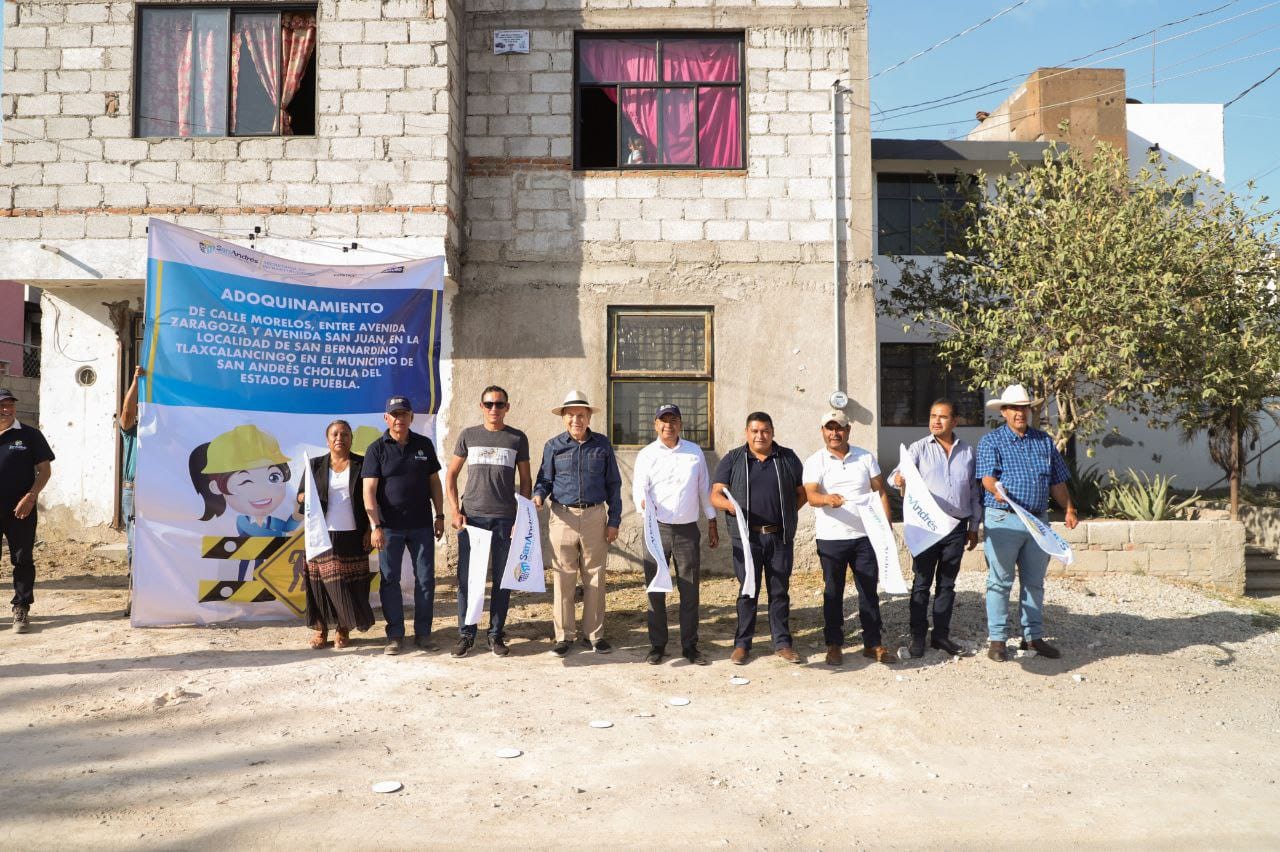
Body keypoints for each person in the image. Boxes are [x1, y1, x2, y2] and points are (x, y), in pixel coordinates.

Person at [976, 384, 1078, 663]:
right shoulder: (991, 441)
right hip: (1003, 518)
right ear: (1004, 412)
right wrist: (995, 490)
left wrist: (1068, 508)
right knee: (1000, 581)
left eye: (1025, 408)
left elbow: (1056, 480)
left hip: (1037, 521)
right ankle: (997, 639)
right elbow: (986, 477)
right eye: (1014, 408)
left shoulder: (1044, 441)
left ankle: (1032, 636)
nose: (1020, 413)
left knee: (1034, 582)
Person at [802, 410, 896, 666]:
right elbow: (810, 496)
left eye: (839, 428)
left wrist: (886, 528)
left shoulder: (865, 457)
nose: (835, 433)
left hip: (866, 536)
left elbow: (881, 492)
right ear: (822, 431)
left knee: (868, 590)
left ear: (848, 430)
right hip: (831, 539)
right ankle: (834, 645)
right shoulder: (815, 461)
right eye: (829, 428)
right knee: (834, 592)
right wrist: (827, 499)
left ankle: (873, 644)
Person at [711, 412, 806, 666]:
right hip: (747, 538)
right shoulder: (733, 459)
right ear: (746, 433)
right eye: (754, 431)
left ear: (772, 432)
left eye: (764, 431)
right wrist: (730, 508)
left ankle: (783, 643)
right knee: (747, 591)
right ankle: (742, 644)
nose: (759, 436)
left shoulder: (787, 458)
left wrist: (785, 513)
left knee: (779, 591)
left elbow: (801, 493)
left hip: (779, 538)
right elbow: (716, 494)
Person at [445, 385, 531, 659]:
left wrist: (522, 517)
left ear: (507, 407)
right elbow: (451, 476)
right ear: (481, 406)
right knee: (469, 581)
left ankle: (496, 635)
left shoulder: (517, 438)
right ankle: (466, 634)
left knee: (502, 581)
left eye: (499, 404)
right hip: (473, 519)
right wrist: (455, 511)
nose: (494, 409)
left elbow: (527, 481)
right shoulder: (469, 435)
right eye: (489, 404)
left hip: (505, 519)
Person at [533, 390, 622, 657]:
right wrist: (538, 495)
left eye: (581, 415)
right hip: (562, 517)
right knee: (563, 577)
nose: (576, 420)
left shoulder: (602, 445)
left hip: (595, 516)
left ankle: (594, 635)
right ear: (563, 418)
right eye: (570, 415)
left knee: (595, 575)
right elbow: (544, 480)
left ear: (588, 417)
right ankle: (563, 636)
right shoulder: (553, 446)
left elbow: (614, 485)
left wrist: (614, 520)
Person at [891, 399, 982, 658]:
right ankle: (917, 637)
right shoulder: (918, 448)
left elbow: (974, 492)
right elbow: (896, 475)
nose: (935, 421)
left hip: (956, 527)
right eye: (932, 416)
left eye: (942, 417)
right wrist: (897, 478)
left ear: (955, 421)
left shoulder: (968, 452)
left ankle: (940, 636)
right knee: (921, 583)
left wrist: (974, 526)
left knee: (947, 584)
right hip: (927, 527)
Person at [632, 403, 718, 666]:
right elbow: (639, 488)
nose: (668, 425)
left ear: (681, 424)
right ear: (655, 424)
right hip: (656, 530)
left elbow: (704, 488)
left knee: (689, 590)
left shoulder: (694, 452)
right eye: (663, 420)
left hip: (687, 531)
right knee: (655, 589)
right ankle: (657, 646)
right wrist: (643, 505)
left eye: (674, 420)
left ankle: (690, 646)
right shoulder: (646, 454)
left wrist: (712, 521)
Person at [362, 395, 446, 656]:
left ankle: (423, 634)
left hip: (422, 525)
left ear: (411, 417)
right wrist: (375, 525)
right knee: (390, 580)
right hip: (389, 528)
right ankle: (395, 635)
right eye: (394, 414)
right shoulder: (376, 449)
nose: (399, 419)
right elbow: (369, 491)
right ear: (386, 418)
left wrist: (440, 515)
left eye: (404, 414)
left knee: (425, 581)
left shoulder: (424, 445)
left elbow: (434, 483)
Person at [295, 420, 375, 650]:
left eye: (345, 434)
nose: (340, 437)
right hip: (320, 535)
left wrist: (370, 529)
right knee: (319, 585)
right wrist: (302, 498)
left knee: (351, 586)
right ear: (327, 439)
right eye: (335, 434)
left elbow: (374, 498)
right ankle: (321, 630)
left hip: (353, 535)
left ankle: (343, 628)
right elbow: (301, 497)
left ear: (352, 438)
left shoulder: (363, 464)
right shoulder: (314, 465)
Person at [187, 424, 298, 581]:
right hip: (245, 553)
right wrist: (282, 537)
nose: (262, 490)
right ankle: (241, 583)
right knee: (243, 567)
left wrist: (297, 516)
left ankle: (256, 584)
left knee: (260, 568)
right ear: (216, 487)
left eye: (274, 477)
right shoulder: (242, 521)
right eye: (246, 481)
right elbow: (256, 531)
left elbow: (287, 526)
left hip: (263, 557)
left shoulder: (271, 520)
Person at [0, 388, 54, 634]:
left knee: (22, 559)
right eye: (2, 405)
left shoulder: (30, 435)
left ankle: (21, 607)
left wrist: (31, 497)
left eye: (9, 405)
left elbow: (44, 471)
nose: (6, 409)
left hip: (21, 509)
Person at [118, 365, 143, 617]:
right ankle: (135, 594)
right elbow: (127, 412)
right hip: (133, 490)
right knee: (135, 543)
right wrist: (136, 381)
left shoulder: (164, 433)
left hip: (159, 489)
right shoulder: (132, 431)